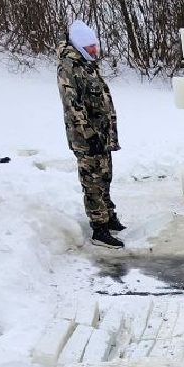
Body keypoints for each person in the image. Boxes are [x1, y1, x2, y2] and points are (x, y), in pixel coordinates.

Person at [57, 20, 125, 249]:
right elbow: (72, 105)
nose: (95, 52)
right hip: (86, 139)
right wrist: (89, 134)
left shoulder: (87, 64)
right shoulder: (68, 67)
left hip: (102, 134)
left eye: (95, 47)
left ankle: (108, 216)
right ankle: (99, 229)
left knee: (105, 175)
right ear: (79, 46)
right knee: (93, 180)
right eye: (90, 48)